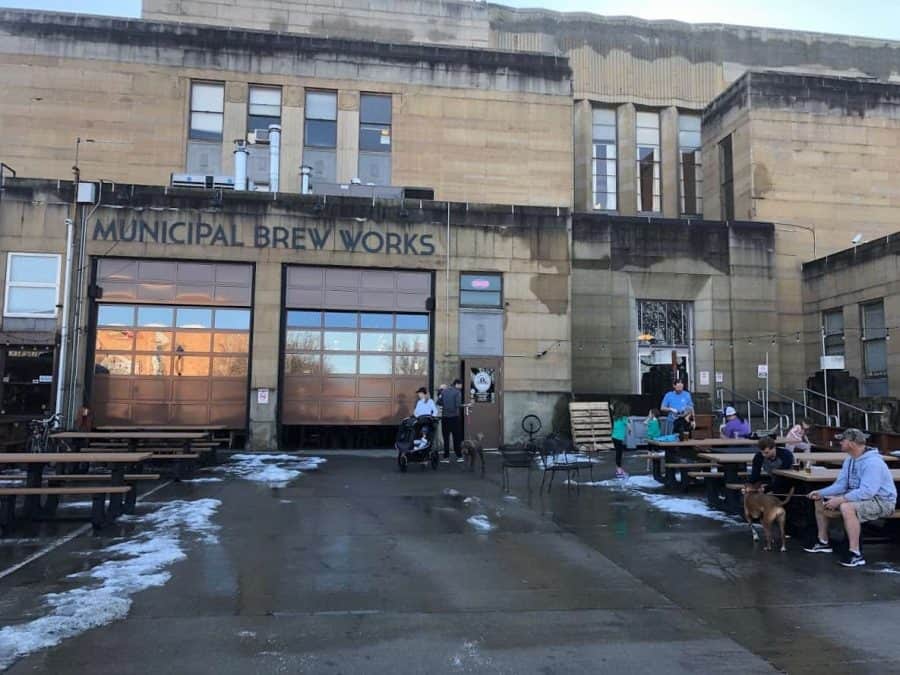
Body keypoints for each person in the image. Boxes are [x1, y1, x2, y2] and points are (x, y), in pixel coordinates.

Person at [804, 428, 897, 568]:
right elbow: (841, 485)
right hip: (862, 497)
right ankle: (823, 542)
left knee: (846, 507)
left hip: (882, 501)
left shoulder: (873, 463)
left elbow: (867, 492)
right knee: (820, 499)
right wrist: (821, 492)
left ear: (852, 443)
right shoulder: (850, 459)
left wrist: (841, 499)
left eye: (843, 440)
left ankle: (855, 554)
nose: (839, 442)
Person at [437, 379, 464, 463]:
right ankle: (459, 456)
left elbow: (439, 402)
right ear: (457, 384)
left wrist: (440, 391)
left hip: (445, 418)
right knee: (456, 438)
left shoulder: (444, 392)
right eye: (461, 385)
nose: (461, 387)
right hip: (454, 418)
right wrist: (465, 405)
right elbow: (458, 404)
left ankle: (446, 457)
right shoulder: (457, 392)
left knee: (446, 438)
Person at [611, 401, 632, 479]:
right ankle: (619, 470)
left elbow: (612, 408)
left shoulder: (615, 416)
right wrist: (630, 430)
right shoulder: (624, 418)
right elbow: (629, 425)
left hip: (614, 437)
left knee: (618, 453)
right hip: (619, 438)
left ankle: (618, 469)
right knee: (619, 454)